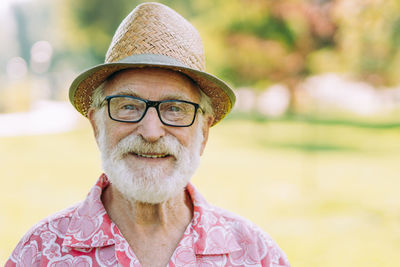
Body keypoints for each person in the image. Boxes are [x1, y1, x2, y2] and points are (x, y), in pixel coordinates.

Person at [6, 2, 290, 266]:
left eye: (175, 109)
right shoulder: (40, 253)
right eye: (129, 106)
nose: (152, 132)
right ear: (97, 125)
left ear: (203, 131)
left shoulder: (254, 255)